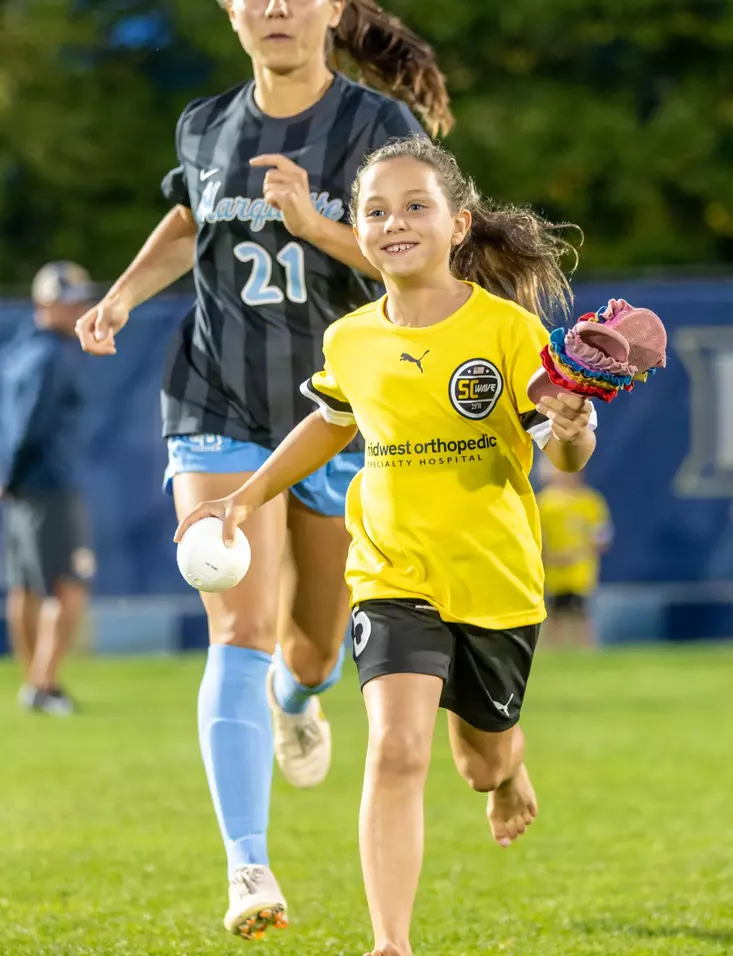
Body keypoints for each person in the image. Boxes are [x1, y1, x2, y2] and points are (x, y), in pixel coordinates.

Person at [75, 0, 453, 939]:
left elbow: (413, 267)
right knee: (232, 618)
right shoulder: (203, 124)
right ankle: (248, 867)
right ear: (232, 11)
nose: (277, 6)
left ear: (332, 9)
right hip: (213, 401)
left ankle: (299, 697)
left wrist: (318, 223)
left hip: (338, 413)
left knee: (313, 642)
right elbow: (189, 220)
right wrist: (118, 296)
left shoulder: (379, 129)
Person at [175, 135, 598, 956]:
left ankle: (508, 768)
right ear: (356, 230)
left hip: (496, 582)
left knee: (476, 764)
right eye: (374, 210)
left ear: (457, 223)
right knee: (397, 748)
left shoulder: (508, 332)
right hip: (391, 574)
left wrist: (574, 428)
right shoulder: (352, 338)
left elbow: (564, 446)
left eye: (414, 206)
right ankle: (390, 943)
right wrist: (245, 494)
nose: (392, 222)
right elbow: (330, 421)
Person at [1, 262, 96, 716]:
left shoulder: (19, 351)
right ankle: (45, 685)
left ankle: (32, 683)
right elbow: (31, 426)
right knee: (68, 584)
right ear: (45, 303)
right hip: (49, 485)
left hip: (21, 488)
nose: (80, 307)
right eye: (70, 300)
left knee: (23, 587)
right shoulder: (51, 356)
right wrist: (11, 472)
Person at [536, 460, 613, 646]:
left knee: (581, 617)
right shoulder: (544, 502)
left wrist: (580, 553)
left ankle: (586, 655)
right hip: (552, 575)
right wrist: (547, 557)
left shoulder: (591, 500)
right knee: (554, 618)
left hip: (581, 574)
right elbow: (536, 536)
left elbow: (602, 536)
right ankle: (555, 656)